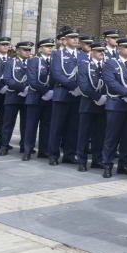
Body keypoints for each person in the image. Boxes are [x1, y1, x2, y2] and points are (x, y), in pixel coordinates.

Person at [101, 38, 127, 179]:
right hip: (116, 104)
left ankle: (123, 165)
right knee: (112, 137)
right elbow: (110, 82)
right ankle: (107, 164)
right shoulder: (111, 63)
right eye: (126, 47)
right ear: (119, 49)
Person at [48, 28, 82, 165]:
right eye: (72, 37)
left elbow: (85, 74)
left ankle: (69, 154)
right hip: (62, 94)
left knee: (73, 127)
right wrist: (73, 87)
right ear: (65, 40)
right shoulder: (57, 54)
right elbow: (56, 74)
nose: (75, 40)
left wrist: (80, 88)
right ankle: (53, 155)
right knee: (57, 127)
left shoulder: (82, 55)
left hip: (77, 95)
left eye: (76, 37)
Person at [77, 41, 111, 172]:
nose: (101, 53)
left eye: (103, 51)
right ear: (91, 51)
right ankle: (82, 160)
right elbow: (83, 85)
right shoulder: (84, 65)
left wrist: (104, 98)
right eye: (98, 51)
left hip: (103, 105)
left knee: (99, 134)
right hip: (88, 104)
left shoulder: (106, 66)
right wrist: (97, 97)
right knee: (84, 134)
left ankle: (97, 159)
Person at [0, 41, 33, 156]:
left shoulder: (32, 62)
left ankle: (25, 146)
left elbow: (34, 78)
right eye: (25, 50)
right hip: (13, 96)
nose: (28, 52)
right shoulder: (10, 62)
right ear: (18, 51)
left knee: (26, 124)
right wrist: (22, 89)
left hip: (27, 97)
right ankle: (4, 146)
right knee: (8, 123)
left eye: (29, 50)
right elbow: (7, 79)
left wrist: (28, 89)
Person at [22, 38, 54, 161]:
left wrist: (52, 92)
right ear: (40, 48)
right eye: (47, 47)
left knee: (46, 126)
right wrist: (46, 91)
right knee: (31, 126)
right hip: (35, 97)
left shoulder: (54, 61)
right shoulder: (34, 61)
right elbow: (32, 80)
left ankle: (43, 150)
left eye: (51, 47)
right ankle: (27, 150)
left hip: (49, 99)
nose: (50, 49)